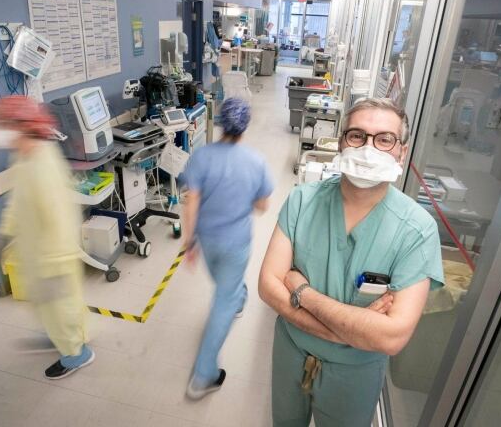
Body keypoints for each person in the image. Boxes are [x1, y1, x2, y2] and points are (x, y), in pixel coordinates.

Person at [258, 97, 444, 426]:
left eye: (384, 139)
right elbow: (268, 285)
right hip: (291, 351)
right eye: (357, 136)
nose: (368, 149)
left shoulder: (417, 230)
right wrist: (346, 331)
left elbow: (391, 337)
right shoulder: (303, 200)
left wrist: (303, 293)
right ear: (342, 141)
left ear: (402, 149)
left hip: (355, 372)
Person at [0, 96, 94, 380]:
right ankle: (61, 336)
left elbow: (58, 219)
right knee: (51, 308)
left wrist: (53, 267)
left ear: (22, 127)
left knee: (62, 307)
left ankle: (76, 353)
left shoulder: (43, 164)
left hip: (54, 257)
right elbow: (16, 201)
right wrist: (3, 235)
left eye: (4, 125)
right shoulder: (23, 155)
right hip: (37, 252)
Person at [181, 97, 274, 400]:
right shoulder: (256, 162)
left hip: (208, 241)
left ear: (220, 123)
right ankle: (204, 375)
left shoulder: (201, 156)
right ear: (245, 126)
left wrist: (189, 241)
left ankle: (237, 298)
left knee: (227, 283)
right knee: (224, 299)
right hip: (236, 242)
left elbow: (191, 200)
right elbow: (262, 207)